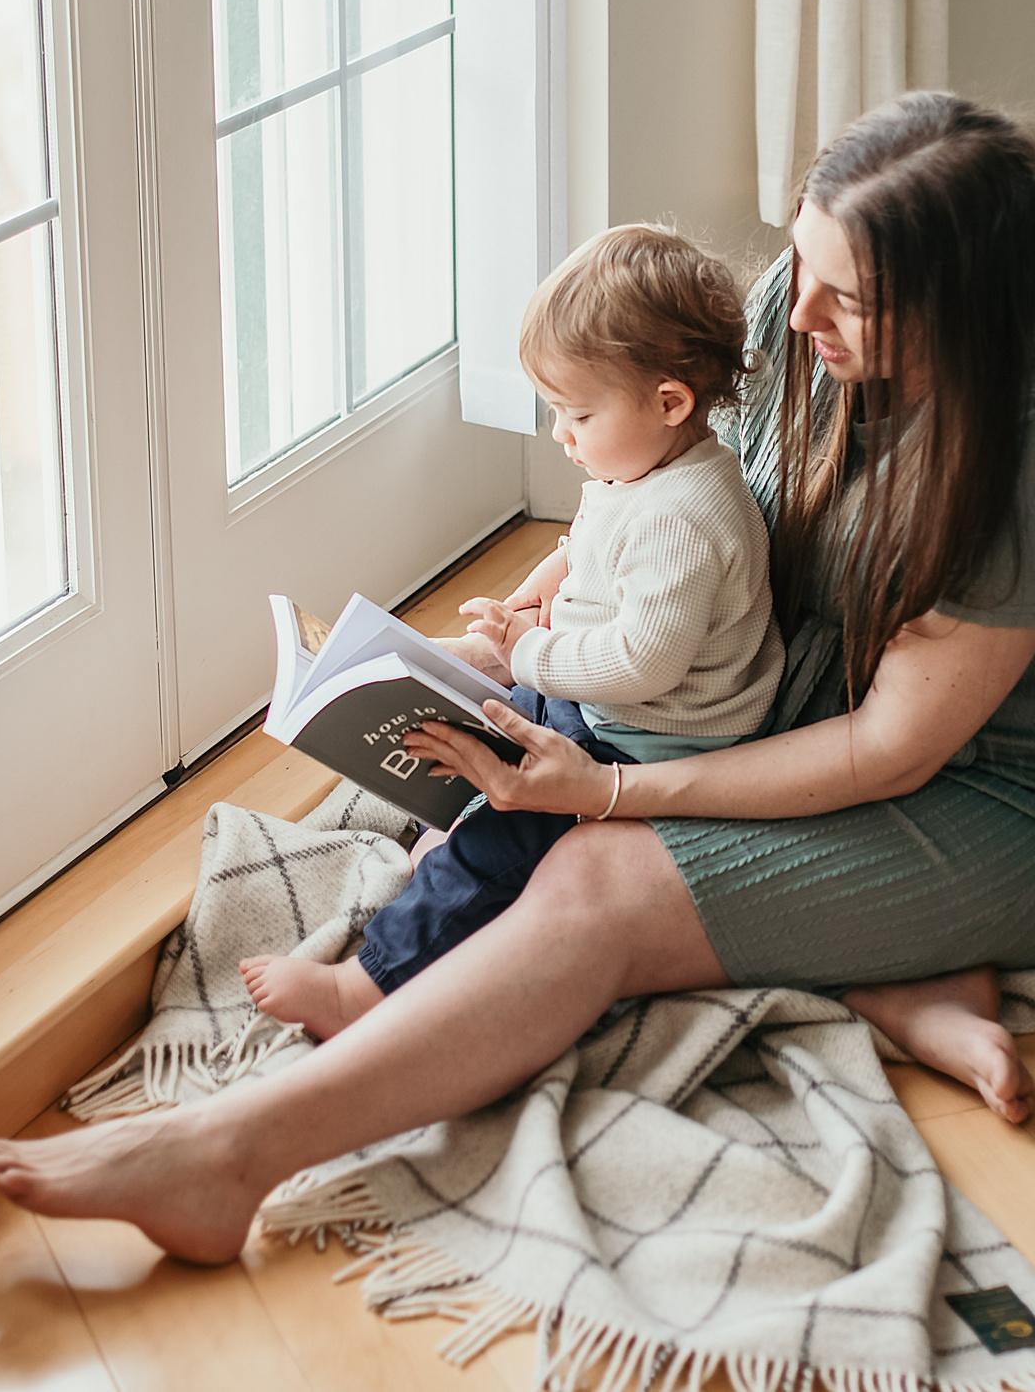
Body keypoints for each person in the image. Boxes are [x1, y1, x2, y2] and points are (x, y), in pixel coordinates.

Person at [0, 93, 1035, 1266]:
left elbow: (888, 752)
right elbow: (666, 496)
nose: (799, 316)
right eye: (802, 263)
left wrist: (614, 796)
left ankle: (225, 1155)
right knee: (496, 717)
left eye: (853, 299)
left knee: (592, 878)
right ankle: (893, 965)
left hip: (1006, 808)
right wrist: (527, 628)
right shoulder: (807, 305)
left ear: (967, 310)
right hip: (798, 709)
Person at [240, 226, 783, 1038]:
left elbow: (641, 660)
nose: (561, 433)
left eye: (578, 412)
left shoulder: (686, 516)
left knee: (503, 831)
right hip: (602, 702)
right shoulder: (646, 466)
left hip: (652, 739)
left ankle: (369, 984)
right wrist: (536, 594)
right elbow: (591, 546)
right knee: (474, 727)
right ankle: (447, 819)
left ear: (670, 402)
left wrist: (527, 648)